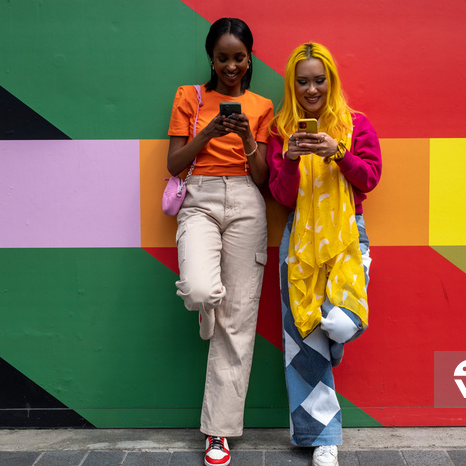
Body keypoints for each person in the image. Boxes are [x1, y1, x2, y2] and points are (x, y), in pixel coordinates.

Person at [266, 42, 382, 466]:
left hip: (349, 234)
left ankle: (338, 341)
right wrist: (292, 159)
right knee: (304, 343)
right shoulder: (281, 129)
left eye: (319, 80)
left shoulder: (356, 124)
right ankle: (322, 439)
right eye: (302, 82)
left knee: (337, 322)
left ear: (331, 80)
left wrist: (339, 152)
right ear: (291, 85)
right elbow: (280, 195)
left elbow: (369, 178)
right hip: (299, 242)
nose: (311, 89)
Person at [167, 17, 273, 466]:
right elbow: (173, 164)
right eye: (222, 57)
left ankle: (218, 433)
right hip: (201, 199)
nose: (231, 66)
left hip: (248, 201)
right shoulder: (190, 97)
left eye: (239, 57)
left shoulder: (263, 105)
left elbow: (264, 179)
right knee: (198, 290)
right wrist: (208, 133)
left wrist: (249, 138)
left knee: (237, 326)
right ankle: (209, 303)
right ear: (211, 57)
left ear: (250, 58)